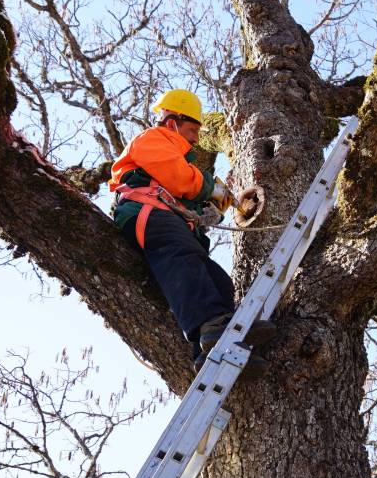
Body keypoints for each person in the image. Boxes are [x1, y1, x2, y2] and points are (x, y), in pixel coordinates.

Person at [109, 89, 274, 371]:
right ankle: (210, 326)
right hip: (146, 212)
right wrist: (213, 189)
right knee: (183, 256)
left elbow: (182, 192)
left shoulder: (174, 154)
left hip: (162, 216)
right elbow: (179, 177)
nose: (196, 138)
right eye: (192, 129)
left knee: (217, 280)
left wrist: (207, 210)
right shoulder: (152, 139)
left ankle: (210, 351)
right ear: (172, 121)